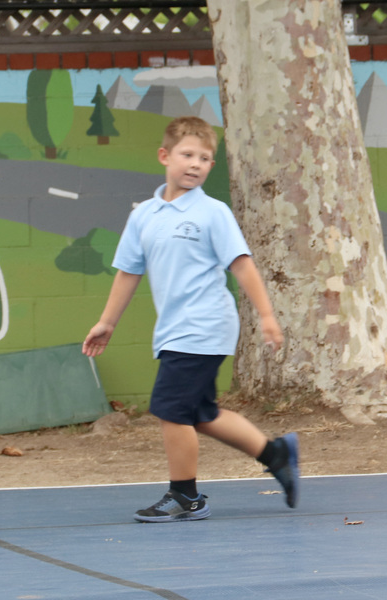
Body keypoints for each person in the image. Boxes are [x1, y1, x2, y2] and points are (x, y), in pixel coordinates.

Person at [82, 116, 299, 523]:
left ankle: (185, 496)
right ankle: (276, 453)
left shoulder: (213, 213)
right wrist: (107, 322)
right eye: (187, 155)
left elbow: (243, 264)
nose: (195, 163)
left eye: (204, 158)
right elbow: (129, 271)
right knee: (201, 414)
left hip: (205, 325)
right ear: (165, 156)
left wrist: (267, 316)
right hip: (173, 331)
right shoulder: (143, 216)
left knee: (170, 409)